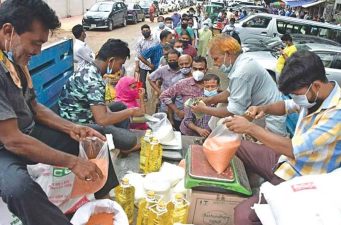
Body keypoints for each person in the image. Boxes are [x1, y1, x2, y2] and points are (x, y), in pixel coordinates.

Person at [0, 1, 114, 224]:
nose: (38, 51)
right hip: (6, 146)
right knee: (19, 187)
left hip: (27, 133)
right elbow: (12, 140)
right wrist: (72, 162)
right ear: (8, 30)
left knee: (92, 138)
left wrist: (72, 127)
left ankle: (105, 202)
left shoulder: (12, 60)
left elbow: (35, 108)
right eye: (35, 43)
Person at [226, 50, 341, 225]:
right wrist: (264, 108)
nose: (295, 98)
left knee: (242, 216)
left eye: (296, 93)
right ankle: (251, 189)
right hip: (284, 160)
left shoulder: (337, 114)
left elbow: (293, 148)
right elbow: (287, 105)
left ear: (316, 86)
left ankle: (261, 197)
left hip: (301, 176)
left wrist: (250, 128)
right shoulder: (312, 95)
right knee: (236, 144)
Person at [192, 35, 287, 136]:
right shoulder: (242, 61)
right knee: (221, 106)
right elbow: (229, 93)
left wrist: (204, 109)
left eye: (216, 59)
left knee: (225, 125)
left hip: (267, 118)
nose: (215, 64)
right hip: (258, 110)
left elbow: (233, 110)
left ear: (227, 54)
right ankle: (211, 137)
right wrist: (208, 100)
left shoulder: (241, 73)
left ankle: (215, 143)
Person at [59, 39, 144, 152]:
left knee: (120, 106)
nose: (120, 68)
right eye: (120, 64)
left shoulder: (89, 68)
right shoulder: (94, 80)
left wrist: (111, 114)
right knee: (130, 140)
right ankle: (121, 142)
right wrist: (131, 111)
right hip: (78, 123)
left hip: (83, 111)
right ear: (111, 61)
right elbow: (102, 120)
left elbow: (99, 104)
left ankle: (118, 139)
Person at [160, 56, 208, 130]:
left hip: (206, 129)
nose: (198, 71)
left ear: (206, 70)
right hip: (187, 129)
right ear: (191, 69)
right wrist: (177, 111)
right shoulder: (183, 83)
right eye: (195, 69)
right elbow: (164, 96)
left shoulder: (211, 84)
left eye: (201, 69)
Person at [135, 24, 157, 101]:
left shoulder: (155, 40)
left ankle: (156, 93)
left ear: (150, 31)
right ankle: (144, 96)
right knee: (142, 81)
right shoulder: (139, 41)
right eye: (144, 31)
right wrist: (137, 66)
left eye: (147, 30)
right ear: (141, 32)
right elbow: (138, 54)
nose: (145, 32)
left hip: (154, 64)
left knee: (155, 79)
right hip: (143, 65)